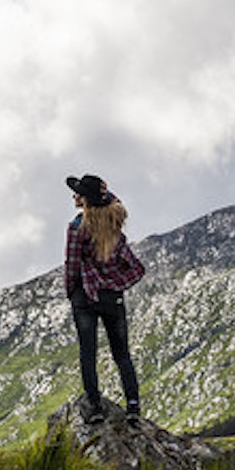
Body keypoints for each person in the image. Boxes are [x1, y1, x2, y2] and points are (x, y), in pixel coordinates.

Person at [63, 174, 145, 424]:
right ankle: (133, 406)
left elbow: (72, 265)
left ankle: (95, 407)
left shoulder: (77, 228)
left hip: (85, 298)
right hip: (112, 299)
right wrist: (114, 285)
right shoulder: (114, 226)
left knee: (88, 353)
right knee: (122, 354)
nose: (74, 196)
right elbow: (136, 268)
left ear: (86, 201)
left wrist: (71, 293)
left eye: (78, 193)